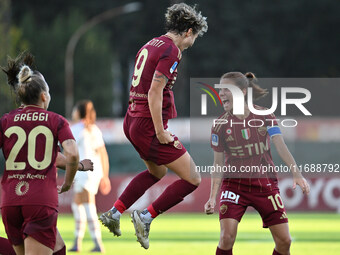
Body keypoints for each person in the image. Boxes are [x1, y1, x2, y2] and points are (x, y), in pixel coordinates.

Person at [99, 2, 208, 249]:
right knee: (193, 178)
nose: (192, 43)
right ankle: (145, 216)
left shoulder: (151, 43)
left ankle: (115, 213)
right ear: (189, 31)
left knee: (157, 172)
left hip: (132, 120)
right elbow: (154, 91)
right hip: (148, 125)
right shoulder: (171, 50)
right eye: (195, 37)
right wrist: (160, 131)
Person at [204, 72, 311, 255]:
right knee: (226, 238)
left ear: (243, 92)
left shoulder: (265, 115)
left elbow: (280, 145)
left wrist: (296, 173)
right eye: (220, 89)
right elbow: (218, 164)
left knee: (284, 242)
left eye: (226, 89)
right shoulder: (220, 125)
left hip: (265, 184)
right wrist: (212, 197)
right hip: (234, 186)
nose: (221, 93)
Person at [0, 55, 79, 255]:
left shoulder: (6, 120)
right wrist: (68, 182)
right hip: (39, 201)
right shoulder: (55, 120)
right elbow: (71, 152)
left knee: (59, 246)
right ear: (44, 96)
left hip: (10, 201)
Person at [68, 100, 111, 252]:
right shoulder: (94, 129)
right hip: (94, 171)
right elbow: (103, 154)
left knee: (88, 205)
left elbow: (69, 152)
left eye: (75, 110)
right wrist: (105, 176)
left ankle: (98, 243)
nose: (73, 113)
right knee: (77, 204)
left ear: (78, 112)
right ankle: (77, 242)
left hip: (84, 171)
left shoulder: (76, 129)